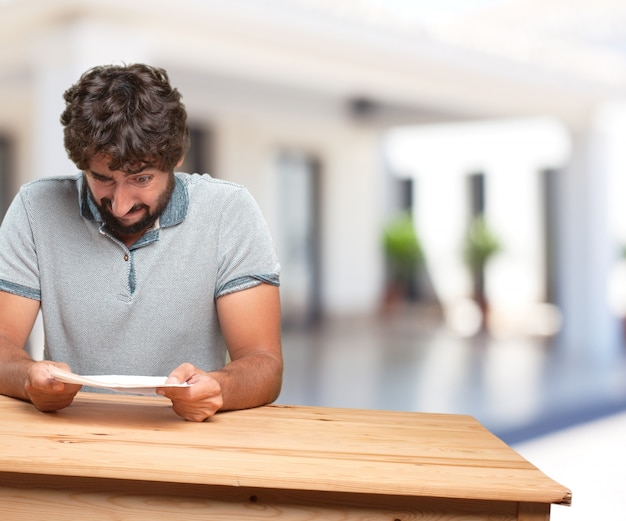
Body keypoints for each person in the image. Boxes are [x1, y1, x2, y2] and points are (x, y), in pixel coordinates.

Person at [0, 63, 282, 422]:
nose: (120, 204)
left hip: (189, 435)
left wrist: (220, 387)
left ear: (176, 159)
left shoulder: (229, 211)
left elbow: (265, 364)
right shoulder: (35, 208)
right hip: (71, 438)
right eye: (101, 178)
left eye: (141, 178)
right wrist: (28, 378)